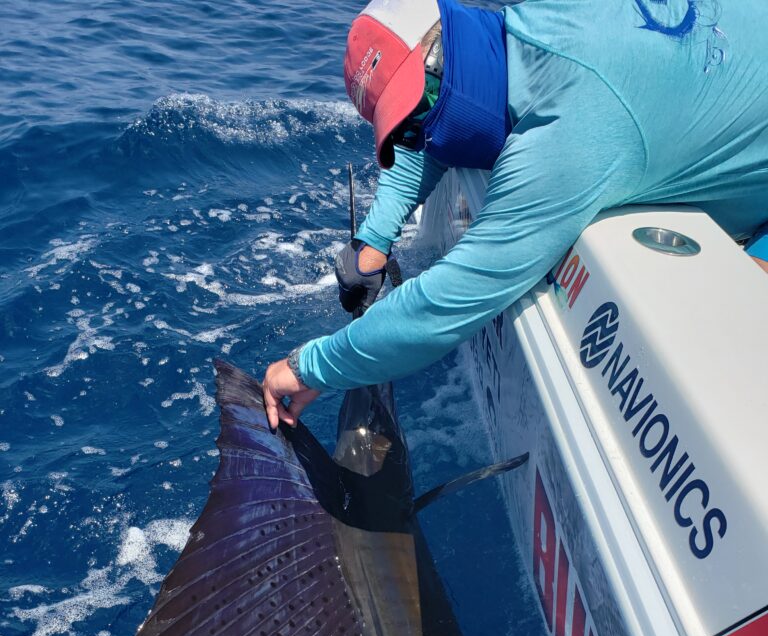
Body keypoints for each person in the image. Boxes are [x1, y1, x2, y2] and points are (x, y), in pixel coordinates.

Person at [262, 0, 768, 430]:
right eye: (405, 132)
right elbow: (441, 126)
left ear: (446, 55)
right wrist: (373, 240)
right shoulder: (540, 25)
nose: (422, 138)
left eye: (417, 113)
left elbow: (453, 298)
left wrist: (309, 368)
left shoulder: (567, 136)